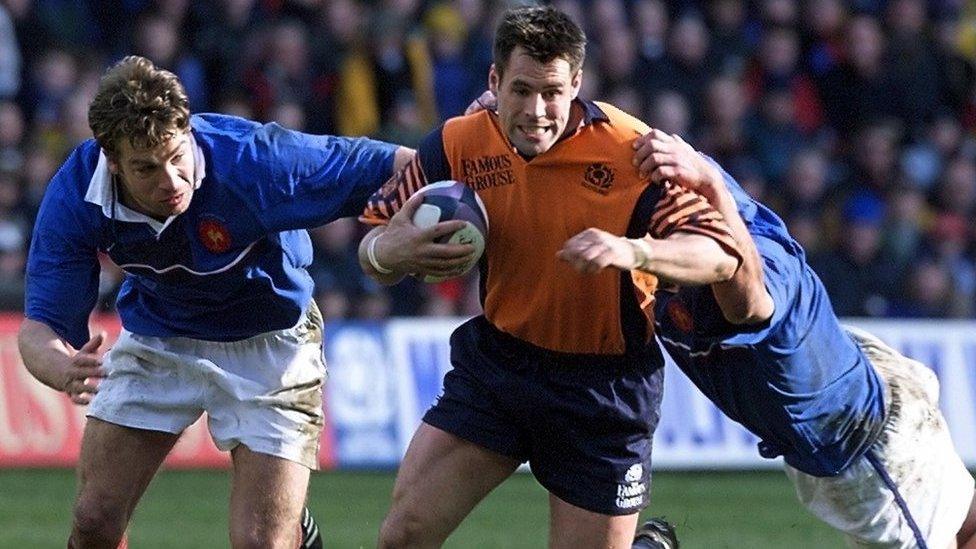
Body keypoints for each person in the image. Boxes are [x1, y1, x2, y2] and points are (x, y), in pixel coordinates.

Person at [357, 6, 744, 548]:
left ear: (577, 84)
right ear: (494, 82)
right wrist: (389, 250)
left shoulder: (632, 153)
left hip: (603, 391)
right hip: (500, 368)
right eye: (520, 90)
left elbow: (719, 254)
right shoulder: (457, 144)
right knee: (403, 536)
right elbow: (372, 243)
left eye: (552, 92)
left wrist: (635, 251)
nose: (536, 111)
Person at [17, 55, 412, 549]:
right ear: (111, 161)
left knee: (261, 542)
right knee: (94, 519)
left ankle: (293, 531)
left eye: (177, 157)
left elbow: (381, 163)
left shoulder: (253, 160)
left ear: (187, 132)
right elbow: (40, 329)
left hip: (271, 342)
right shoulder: (77, 193)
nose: (171, 182)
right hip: (160, 335)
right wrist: (61, 366)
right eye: (146, 167)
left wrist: (464, 170)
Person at [561, 129, 976, 549]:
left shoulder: (762, 273)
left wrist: (637, 252)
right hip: (851, 397)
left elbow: (743, 295)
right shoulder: (686, 194)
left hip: (868, 444)